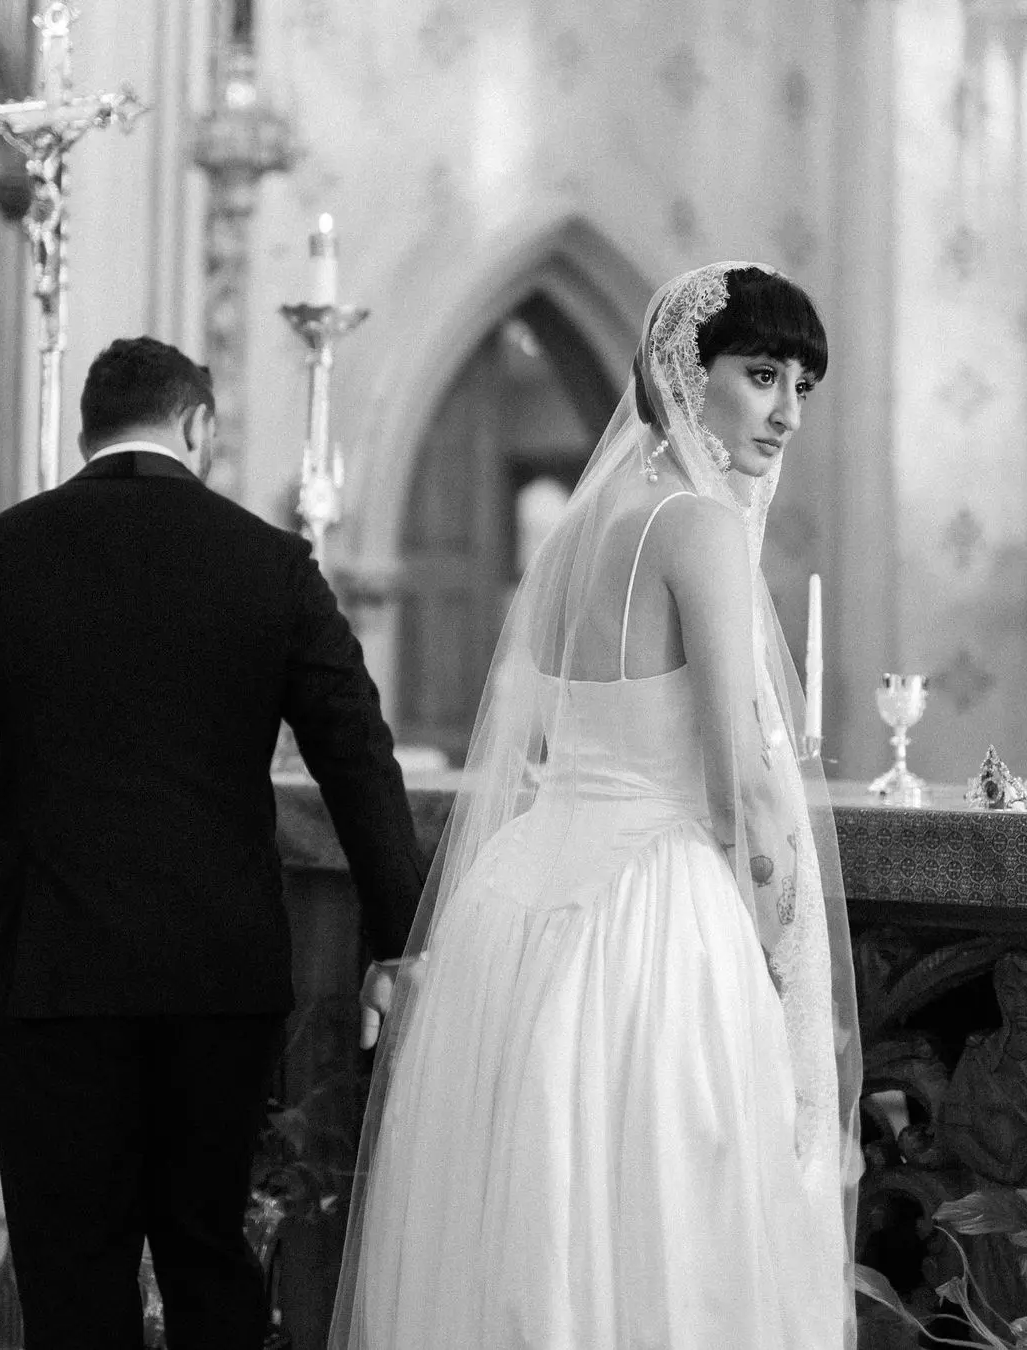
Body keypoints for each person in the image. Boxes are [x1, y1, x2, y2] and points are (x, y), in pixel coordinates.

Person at [330, 264, 864, 1349]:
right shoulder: (699, 528)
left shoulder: (574, 533)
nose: (787, 415)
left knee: (529, 1227)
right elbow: (742, 782)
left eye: (800, 385)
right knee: (669, 1233)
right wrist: (789, 968)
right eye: (762, 376)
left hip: (517, 907)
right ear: (684, 373)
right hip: (655, 921)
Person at [0, 336, 426, 1350]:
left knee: (70, 1270)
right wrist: (398, 937)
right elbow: (357, 755)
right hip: (218, 970)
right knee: (208, 1255)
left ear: (88, 432)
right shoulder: (271, 564)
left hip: (53, 968)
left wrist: (16, 814)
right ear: (198, 423)